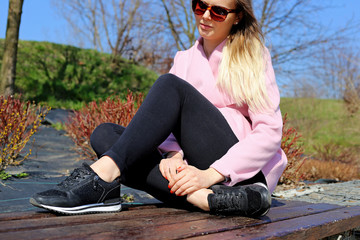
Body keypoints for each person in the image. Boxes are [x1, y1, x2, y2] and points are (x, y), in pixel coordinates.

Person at [30, 0, 287, 217]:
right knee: (105, 135)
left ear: (237, 17)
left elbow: (269, 132)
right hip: (196, 169)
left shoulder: (253, 56)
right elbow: (169, 121)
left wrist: (212, 173)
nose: (206, 15)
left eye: (218, 11)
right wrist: (173, 154)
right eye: (200, 6)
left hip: (240, 171)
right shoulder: (185, 59)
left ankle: (102, 178)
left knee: (169, 87)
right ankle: (203, 198)